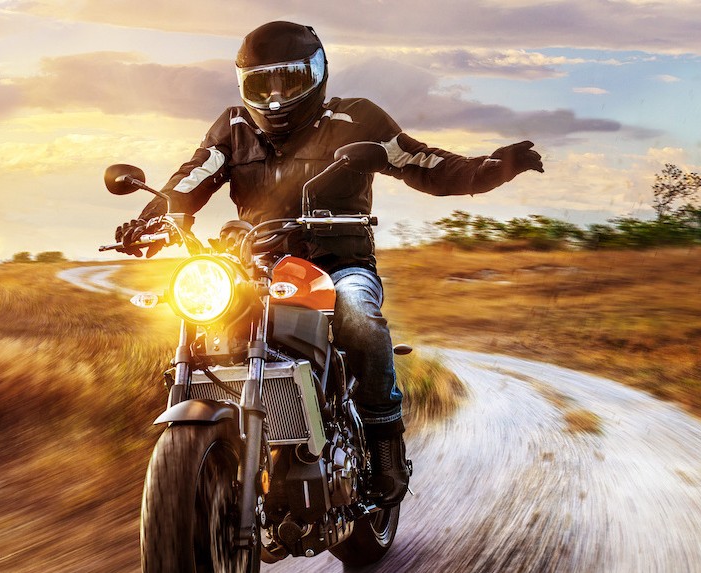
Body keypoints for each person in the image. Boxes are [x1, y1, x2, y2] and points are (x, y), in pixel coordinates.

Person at [113, 21, 543, 505]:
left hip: (339, 262)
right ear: (244, 84)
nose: (275, 96)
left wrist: (493, 168)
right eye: (262, 83)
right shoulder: (234, 127)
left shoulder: (357, 118)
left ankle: (383, 440)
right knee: (193, 312)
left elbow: (423, 163)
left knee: (357, 311)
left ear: (316, 75)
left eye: (288, 80)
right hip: (256, 270)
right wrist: (153, 218)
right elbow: (192, 178)